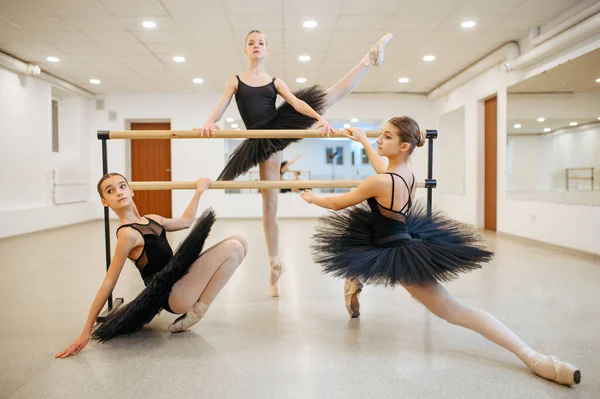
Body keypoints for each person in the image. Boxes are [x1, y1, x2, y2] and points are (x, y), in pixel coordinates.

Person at [300, 118, 581, 386]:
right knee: (356, 242)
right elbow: (382, 172)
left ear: (404, 146)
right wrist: (363, 140)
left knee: (452, 310)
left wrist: (313, 198)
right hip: (389, 238)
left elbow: (338, 204)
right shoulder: (406, 175)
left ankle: (532, 357)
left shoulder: (380, 182)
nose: (379, 140)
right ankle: (354, 276)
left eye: (386, 136)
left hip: (395, 247)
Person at [197, 30, 394, 296]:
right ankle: (275, 265)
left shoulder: (274, 81)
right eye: (251, 43)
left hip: (277, 126)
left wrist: (320, 119)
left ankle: (367, 61)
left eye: (261, 43)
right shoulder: (235, 81)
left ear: (267, 50)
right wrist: (212, 121)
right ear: (246, 50)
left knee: (327, 97)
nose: (256, 46)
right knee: (269, 204)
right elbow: (222, 105)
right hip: (260, 138)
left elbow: (297, 103)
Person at [55, 173, 246, 358]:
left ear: (131, 191)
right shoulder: (127, 235)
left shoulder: (153, 219)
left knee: (239, 241)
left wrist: (198, 191)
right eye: (110, 191)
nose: (119, 192)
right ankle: (196, 312)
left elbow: (186, 222)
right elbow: (108, 283)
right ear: (105, 201)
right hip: (172, 295)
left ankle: (196, 308)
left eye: (122, 186)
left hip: (181, 281)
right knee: (234, 247)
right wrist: (85, 332)